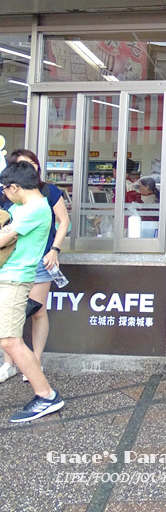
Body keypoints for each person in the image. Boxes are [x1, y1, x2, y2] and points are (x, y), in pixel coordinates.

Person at [0, 161, 63, 423]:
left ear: (15, 186)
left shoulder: (35, 209)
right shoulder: (23, 206)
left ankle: (47, 396)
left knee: (10, 341)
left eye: (5, 188)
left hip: (14, 281)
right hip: (9, 277)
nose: (4, 193)